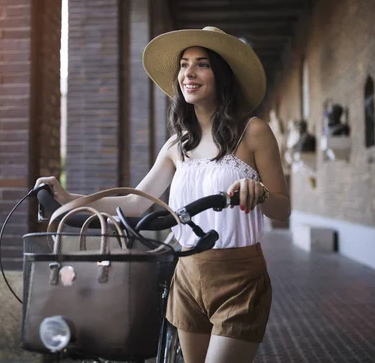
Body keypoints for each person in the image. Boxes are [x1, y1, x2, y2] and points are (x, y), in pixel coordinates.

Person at [35, 26, 291, 363]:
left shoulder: (253, 131)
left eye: (202, 64)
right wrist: (69, 198)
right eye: (184, 64)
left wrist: (258, 194)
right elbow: (135, 202)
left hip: (240, 277)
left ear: (223, 75)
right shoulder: (177, 145)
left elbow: (283, 209)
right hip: (186, 274)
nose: (189, 72)